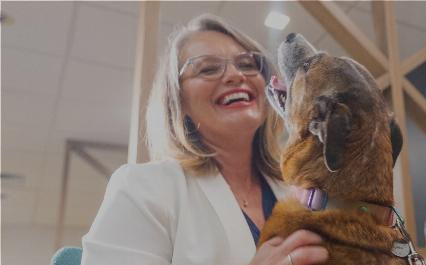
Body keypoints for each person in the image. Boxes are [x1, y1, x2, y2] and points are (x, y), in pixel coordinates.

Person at [81, 14, 328, 265]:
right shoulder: (142, 188)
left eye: (247, 64)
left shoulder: (299, 189)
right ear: (177, 101)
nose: (235, 75)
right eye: (208, 69)